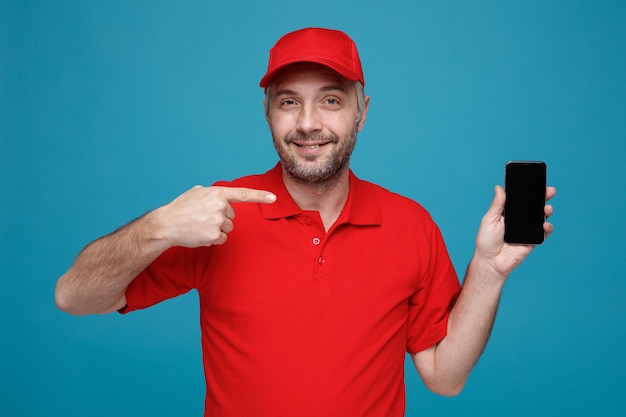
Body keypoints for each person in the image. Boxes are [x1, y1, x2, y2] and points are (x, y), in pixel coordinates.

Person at [55, 27, 556, 416]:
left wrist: (488, 272)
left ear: (363, 111)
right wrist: (159, 226)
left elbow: (444, 377)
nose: (309, 123)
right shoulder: (218, 213)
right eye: (289, 101)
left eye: (331, 100)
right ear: (268, 112)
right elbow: (74, 297)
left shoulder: (410, 224)